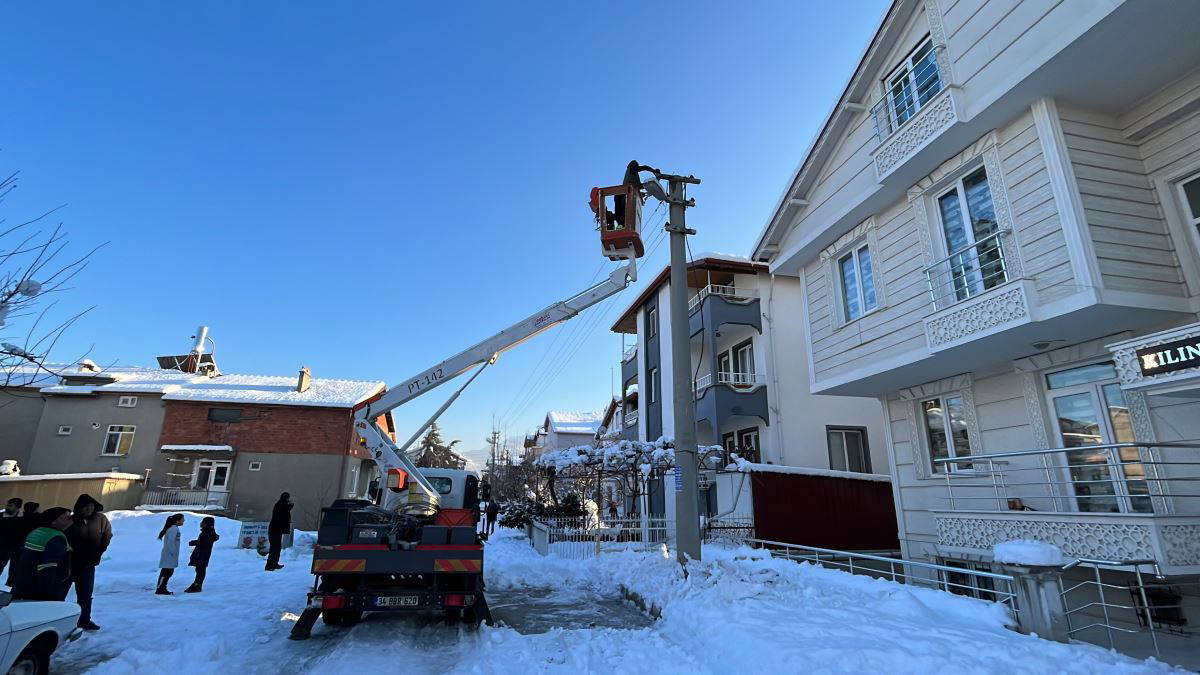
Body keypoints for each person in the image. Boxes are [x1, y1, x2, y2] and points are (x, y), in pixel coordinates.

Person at [65, 494, 112, 631]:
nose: (89, 509)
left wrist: (99, 551)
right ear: (79, 507)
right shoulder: (71, 520)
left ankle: (84, 620)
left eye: (91, 506)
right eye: (85, 507)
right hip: (69, 563)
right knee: (60, 592)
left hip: (88, 564)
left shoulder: (100, 519)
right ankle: (54, 619)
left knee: (85, 594)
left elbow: (107, 535)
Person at [11, 507, 73, 601]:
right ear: (53, 521)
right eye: (65, 517)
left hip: (22, 585)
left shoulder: (36, 532)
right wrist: (48, 595)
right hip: (40, 591)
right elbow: (48, 567)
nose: (69, 518)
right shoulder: (56, 537)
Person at [7, 501, 40, 587]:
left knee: (14, 565)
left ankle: (11, 581)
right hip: (29, 547)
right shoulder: (38, 521)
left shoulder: (18, 520)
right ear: (35, 510)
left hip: (16, 546)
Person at [185, 517, 219, 593]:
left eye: (203, 522)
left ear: (206, 524)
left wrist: (193, 542)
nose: (201, 523)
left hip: (202, 555)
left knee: (200, 570)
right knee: (200, 570)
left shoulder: (207, 532)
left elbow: (203, 543)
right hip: (203, 554)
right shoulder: (208, 531)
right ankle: (197, 584)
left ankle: (197, 585)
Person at [155, 514, 184, 595]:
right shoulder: (174, 529)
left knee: (168, 572)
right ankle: (160, 589)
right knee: (166, 572)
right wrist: (174, 552)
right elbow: (170, 542)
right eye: (182, 519)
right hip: (169, 554)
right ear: (177, 521)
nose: (184, 521)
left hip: (169, 554)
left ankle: (161, 588)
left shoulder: (173, 528)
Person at [265, 492, 293, 571]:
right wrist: (290, 504)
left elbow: (285, 511)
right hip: (275, 530)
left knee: (277, 548)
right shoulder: (281, 505)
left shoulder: (281, 504)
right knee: (275, 548)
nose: (289, 500)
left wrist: (290, 505)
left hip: (276, 530)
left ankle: (274, 564)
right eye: (288, 498)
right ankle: (270, 565)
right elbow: (284, 512)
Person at [0, 497, 23, 576]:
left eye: (10, 506)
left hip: (5, 551)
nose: (7, 507)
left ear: (17, 507)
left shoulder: (19, 521)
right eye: (7, 505)